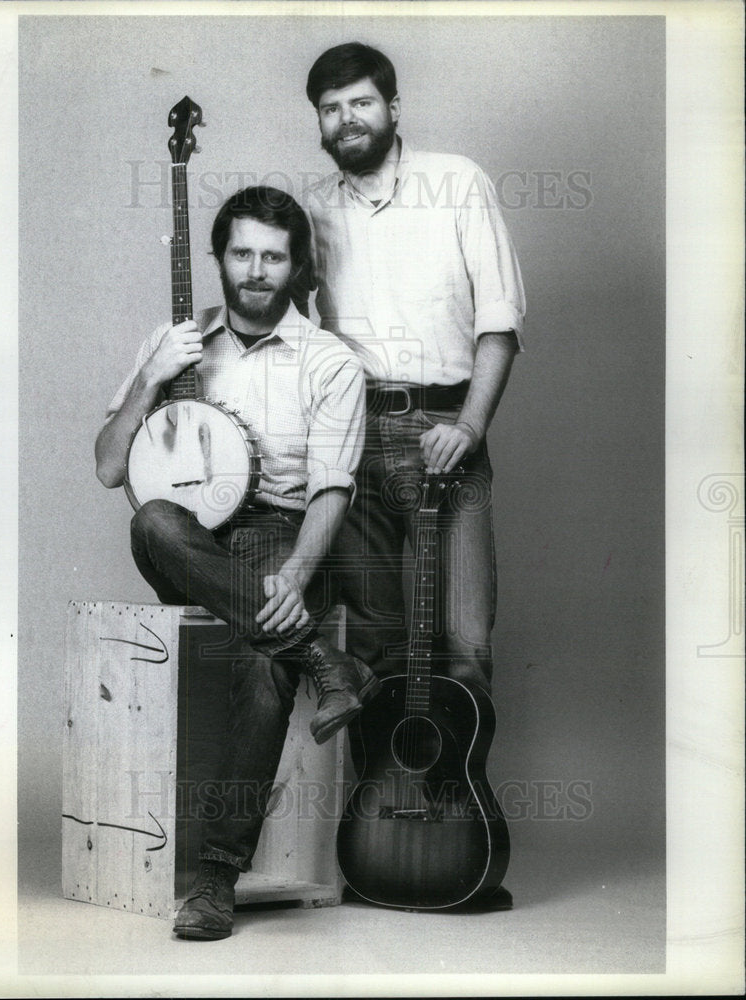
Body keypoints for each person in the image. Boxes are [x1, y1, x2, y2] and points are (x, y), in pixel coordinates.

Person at [94, 186, 376, 939]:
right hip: (188, 537)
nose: (256, 270)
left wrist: (295, 574)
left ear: (296, 267)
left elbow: (330, 490)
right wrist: (153, 374)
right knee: (154, 520)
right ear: (219, 257)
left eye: (273, 256)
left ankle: (215, 878)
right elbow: (107, 468)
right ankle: (323, 656)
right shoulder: (178, 340)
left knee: (263, 660)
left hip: (275, 530)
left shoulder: (329, 361)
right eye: (242, 252)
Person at [304, 43, 526, 907]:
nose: (346, 120)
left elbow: (500, 320)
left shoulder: (457, 181)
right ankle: (384, 844)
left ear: (394, 107)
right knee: (380, 650)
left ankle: (452, 841)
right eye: (329, 108)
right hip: (352, 441)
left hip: (445, 434)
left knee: (465, 647)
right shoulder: (315, 212)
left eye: (360, 103)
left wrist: (468, 426)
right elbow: (283, 322)